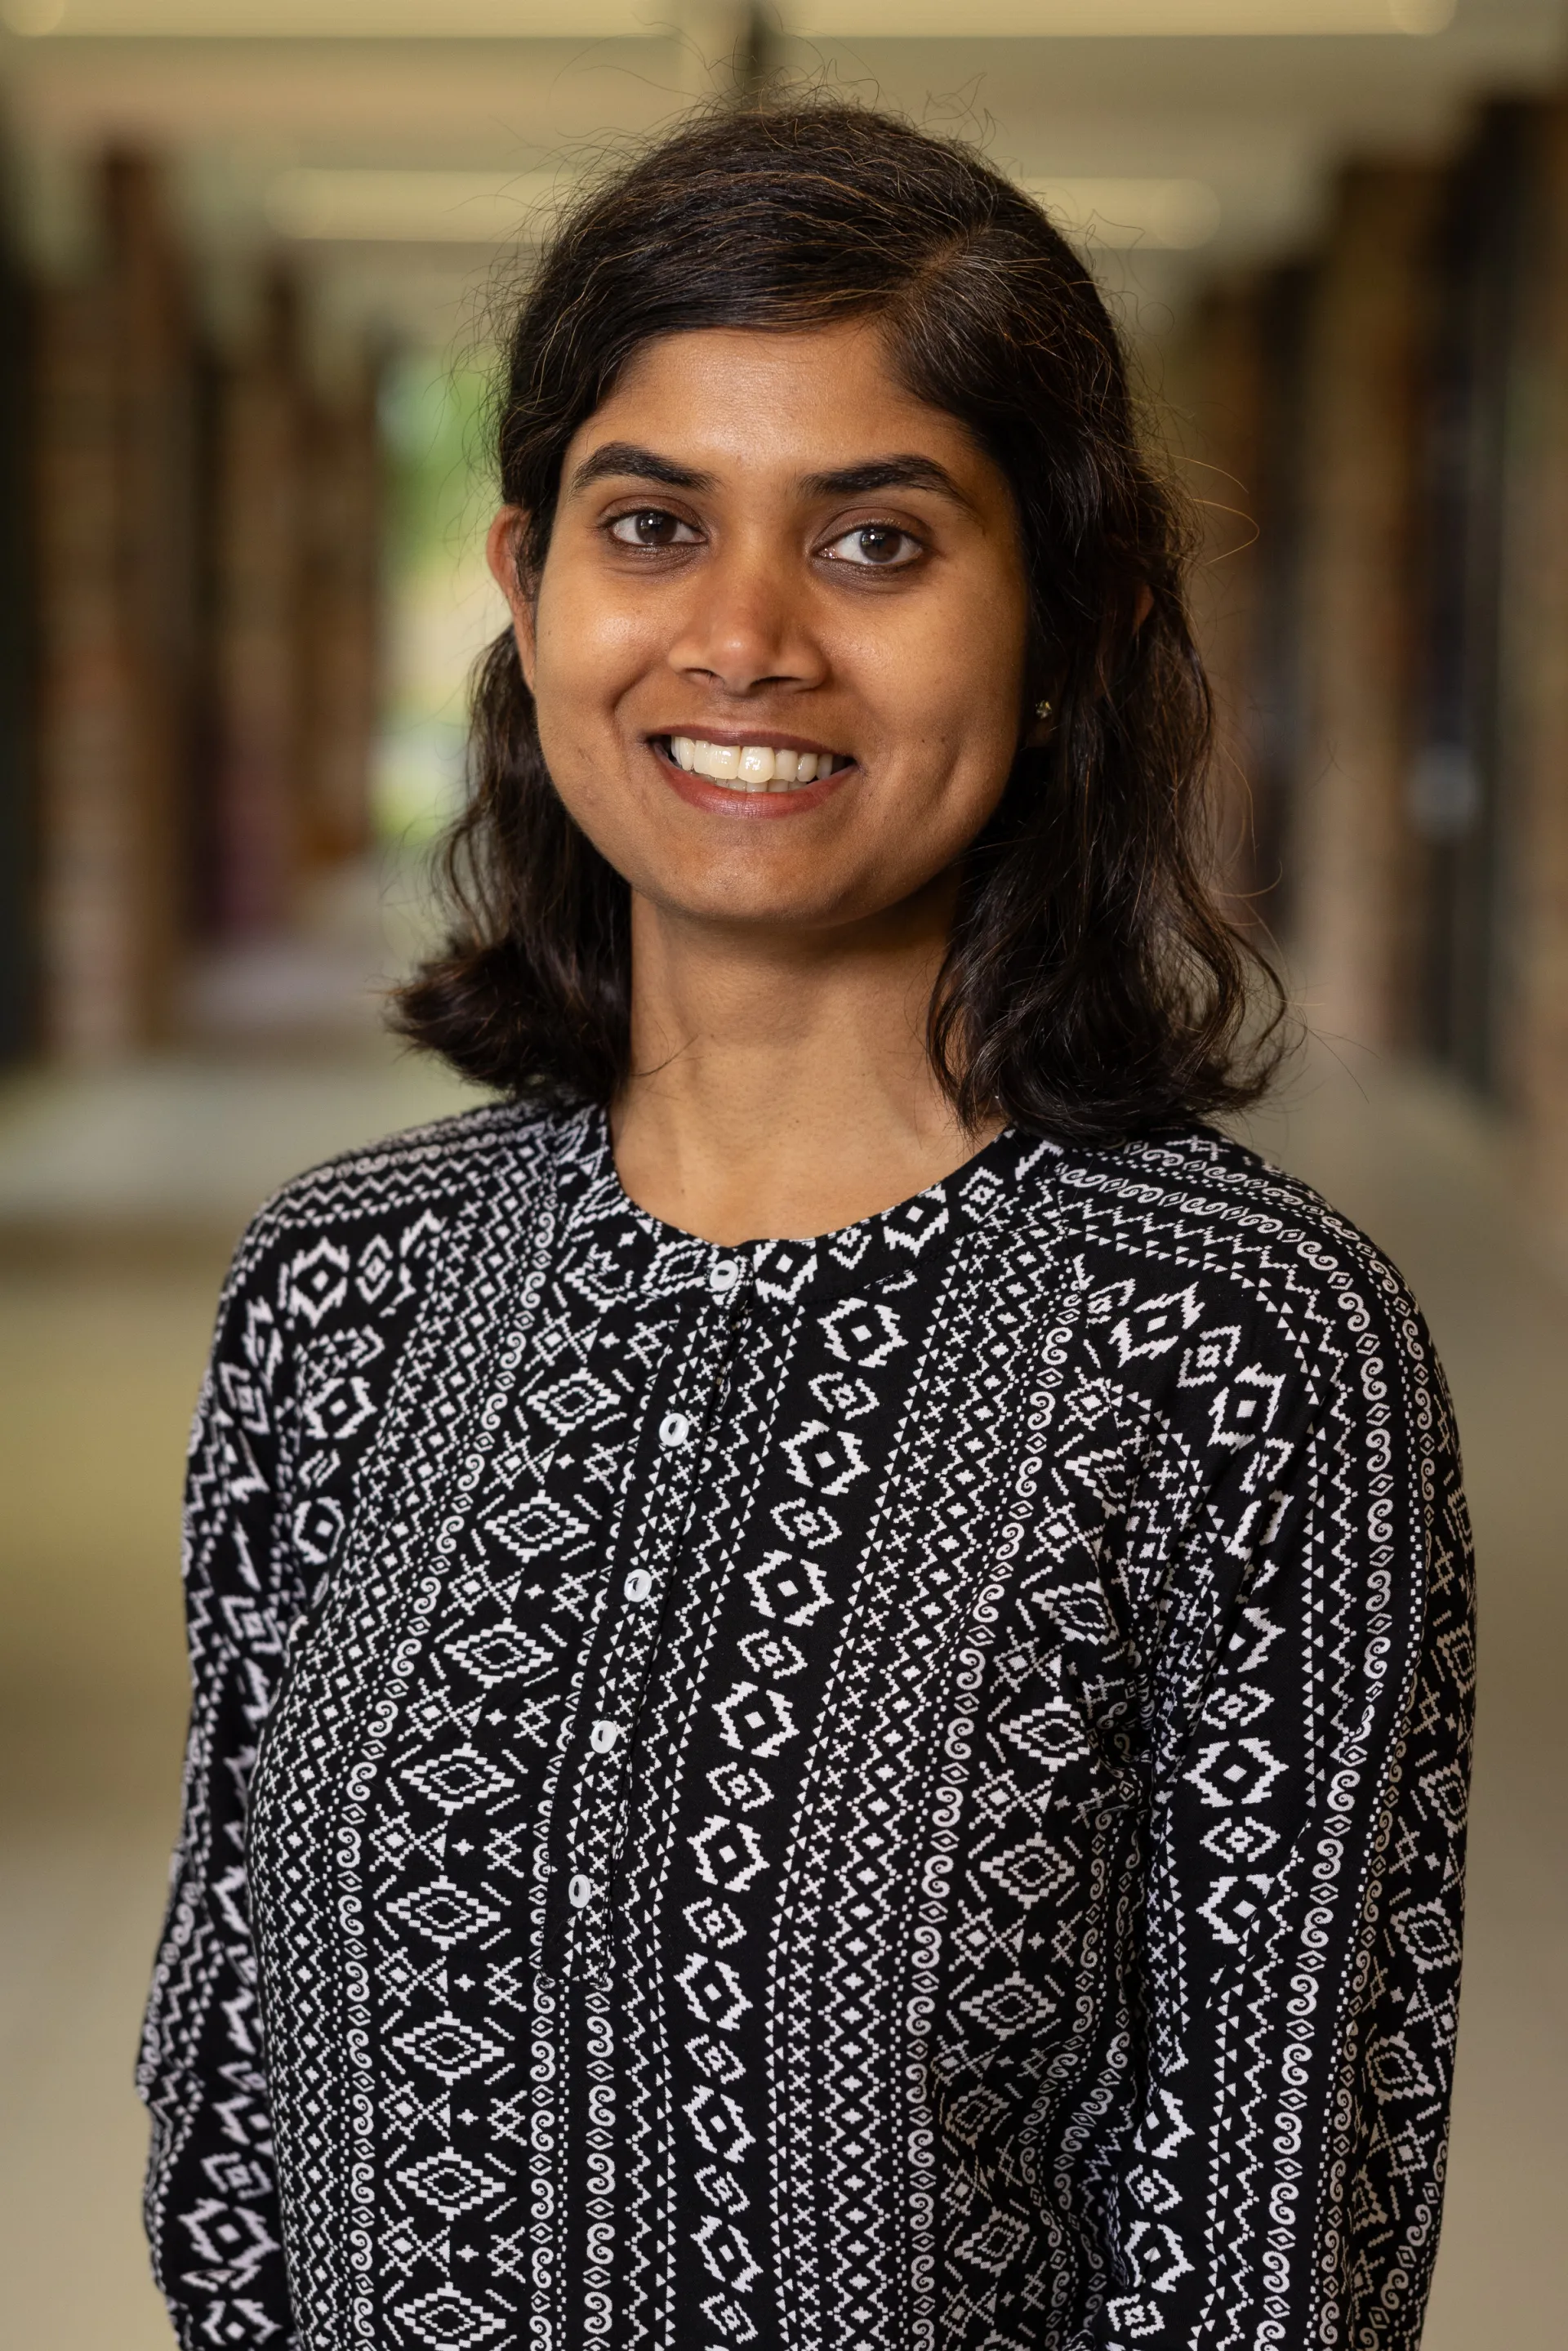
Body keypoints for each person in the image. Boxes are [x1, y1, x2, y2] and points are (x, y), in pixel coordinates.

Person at [139, 101, 1473, 2351]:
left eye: (876, 542)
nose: (744, 637)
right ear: (527, 587)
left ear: (1068, 625)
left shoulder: (1243, 1350)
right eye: (652, 523)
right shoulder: (340, 1291)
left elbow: (1278, 2257)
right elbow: (230, 2129)